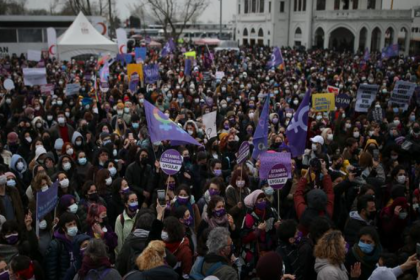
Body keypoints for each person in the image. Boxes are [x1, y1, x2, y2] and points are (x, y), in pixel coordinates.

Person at [45, 212, 81, 280]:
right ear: (63, 228)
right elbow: (51, 272)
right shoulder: (55, 245)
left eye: (74, 224)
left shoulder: (81, 240)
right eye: (70, 225)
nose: (73, 227)